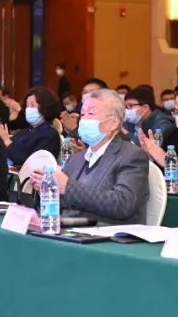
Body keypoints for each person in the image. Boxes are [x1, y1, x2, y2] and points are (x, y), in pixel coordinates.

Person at [31, 89, 150, 225]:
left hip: (108, 234)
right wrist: (48, 188)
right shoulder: (76, 158)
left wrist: (67, 187)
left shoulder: (132, 156)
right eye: (83, 114)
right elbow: (65, 202)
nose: (84, 120)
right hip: (69, 229)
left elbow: (123, 204)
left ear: (113, 123)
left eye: (91, 114)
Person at [0, 86, 62, 165]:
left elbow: (29, 161)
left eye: (32, 105)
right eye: (27, 105)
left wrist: (6, 141)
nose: (28, 109)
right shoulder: (26, 131)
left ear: (45, 108)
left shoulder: (50, 135)